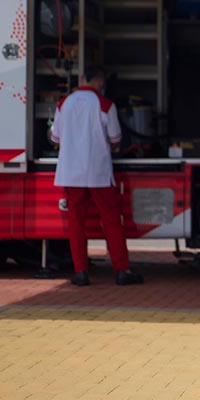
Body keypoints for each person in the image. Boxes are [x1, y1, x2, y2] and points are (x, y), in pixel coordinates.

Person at [50, 65, 143, 286]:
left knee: (76, 223)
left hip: (71, 173)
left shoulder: (63, 104)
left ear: (83, 78)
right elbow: (115, 139)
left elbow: (55, 138)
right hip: (98, 173)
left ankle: (80, 272)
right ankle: (121, 270)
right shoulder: (105, 105)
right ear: (100, 81)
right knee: (112, 221)